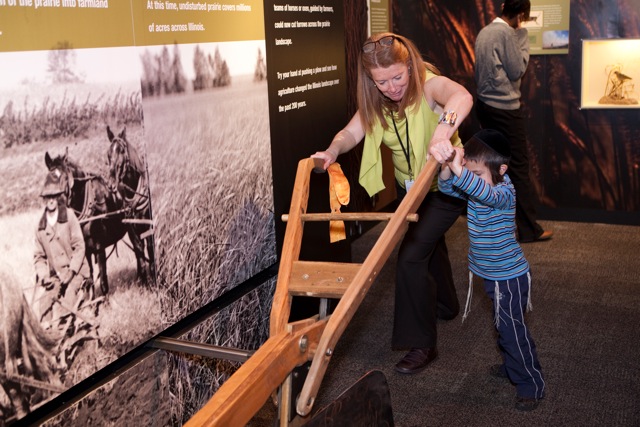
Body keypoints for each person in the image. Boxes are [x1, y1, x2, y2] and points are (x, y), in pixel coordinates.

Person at [312, 32, 473, 374]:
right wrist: (332, 150)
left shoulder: (429, 85)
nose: (392, 87)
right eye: (381, 81)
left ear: (411, 67)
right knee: (430, 243)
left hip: (446, 184)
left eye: (398, 77)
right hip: (410, 187)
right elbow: (350, 133)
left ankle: (422, 345)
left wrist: (443, 131)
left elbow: (461, 95)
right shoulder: (377, 100)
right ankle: (446, 304)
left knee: (411, 255)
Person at [438, 129, 546, 411]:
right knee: (503, 327)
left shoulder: (504, 192)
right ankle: (513, 364)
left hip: (509, 278)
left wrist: (461, 169)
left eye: (477, 174)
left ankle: (530, 384)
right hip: (491, 275)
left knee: (512, 331)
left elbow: (482, 192)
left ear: (502, 170)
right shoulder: (480, 181)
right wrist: (448, 167)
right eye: (470, 174)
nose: (471, 180)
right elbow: (449, 188)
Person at [474, 0, 553, 243]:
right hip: (505, 108)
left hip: (484, 106)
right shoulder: (508, 33)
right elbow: (518, 69)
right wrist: (523, 37)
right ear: (520, 15)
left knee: (494, 166)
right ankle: (529, 230)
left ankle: (496, 226)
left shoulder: (484, 31)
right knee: (518, 166)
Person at [34, 172, 90, 329]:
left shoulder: (69, 216)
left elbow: (80, 246)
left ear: (58, 196)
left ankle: (66, 334)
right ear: (44, 199)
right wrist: (44, 276)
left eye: (54, 196)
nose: (51, 200)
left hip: (76, 272)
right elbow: (38, 257)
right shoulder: (40, 227)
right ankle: (48, 336)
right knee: (44, 304)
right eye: (47, 197)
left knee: (68, 297)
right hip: (56, 277)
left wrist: (71, 272)